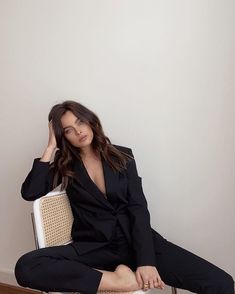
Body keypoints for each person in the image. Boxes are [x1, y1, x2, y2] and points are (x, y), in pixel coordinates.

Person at [15, 100, 234, 294]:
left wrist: (146, 261)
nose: (79, 131)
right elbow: (30, 193)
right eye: (69, 130)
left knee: (222, 284)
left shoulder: (123, 155)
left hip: (136, 241)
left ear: (90, 120)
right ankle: (120, 282)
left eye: (80, 121)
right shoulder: (65, 165)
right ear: (64, 136)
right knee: (26, 266)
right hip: (94, 247)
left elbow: (138, 207)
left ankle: (127, 272)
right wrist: (50, 147)